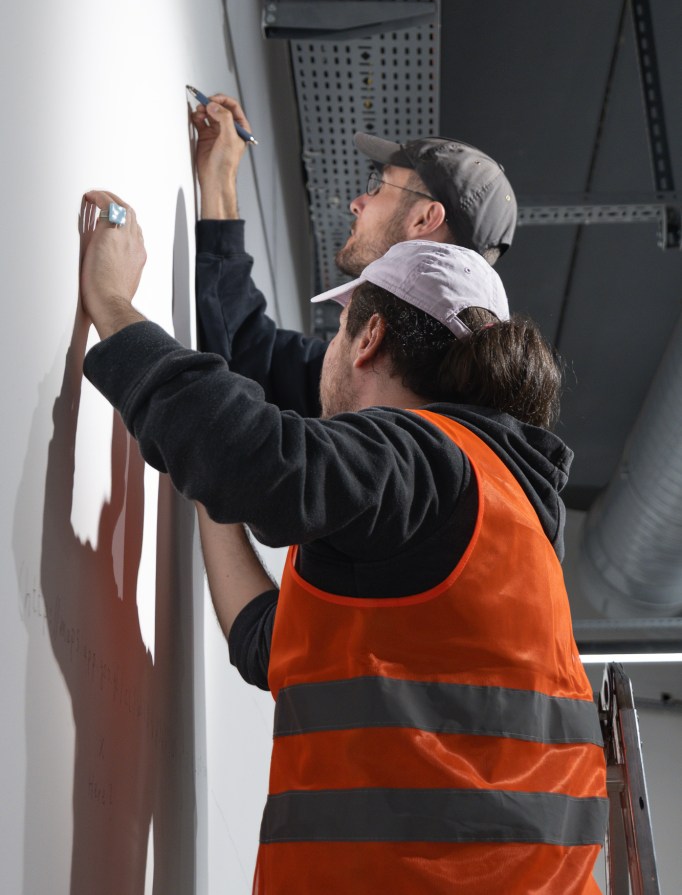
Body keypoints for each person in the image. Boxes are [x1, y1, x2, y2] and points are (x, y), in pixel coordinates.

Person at [80, 190, 607, 894]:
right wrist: (208, 486)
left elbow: (259, 461)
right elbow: (276, 646)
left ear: (368, 338)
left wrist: (113, 306)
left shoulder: (430, 460)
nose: (328, 351)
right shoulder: (494, 516)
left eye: (335, 332)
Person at [191, 95, 517, 415]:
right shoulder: (373, 362)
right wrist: (220, 178)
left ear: (424, 219)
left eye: (379, 186)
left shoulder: (378, 378)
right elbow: (249, 349)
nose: (357, 203)